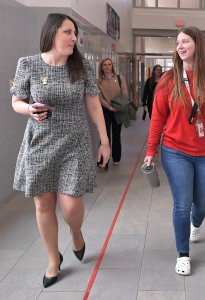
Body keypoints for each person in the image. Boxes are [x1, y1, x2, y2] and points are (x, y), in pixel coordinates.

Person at [10, 13, 110, 288]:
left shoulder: (83, 67)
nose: (74, 38)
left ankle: (76, 233)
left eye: (75, 33)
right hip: (40, 142)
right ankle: (53, 260)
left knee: (71, 206)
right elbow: (16, 101)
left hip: (74, 144)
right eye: (68, 32)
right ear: (52, 32)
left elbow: (93, 105)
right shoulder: (28, 64)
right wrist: (29, 109)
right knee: (43, 204)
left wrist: (104, 141)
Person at [144, 26, 205, 276]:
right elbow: (157, 119)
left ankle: (195, 224)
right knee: (182, 204)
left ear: (197, 44)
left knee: (204, 201)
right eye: (178, 42)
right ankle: (183, 254)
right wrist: (150, 150)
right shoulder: (168, 80)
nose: (180, 46)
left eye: (185, 41)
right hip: (175, 151)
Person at [96, 58, 128, 169]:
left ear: (112, 66)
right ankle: (102, 160)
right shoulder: (98, 81)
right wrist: (110, 107)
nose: (107, 67)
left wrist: (118, 106)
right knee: (105, 135)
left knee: (116, 134)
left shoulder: (119, 78)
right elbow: (100, 98)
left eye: (109, 64)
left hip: (118, 109)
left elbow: (124, 92)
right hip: (105, 110)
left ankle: (116, 157)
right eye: (104, 65)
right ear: (101, 67)